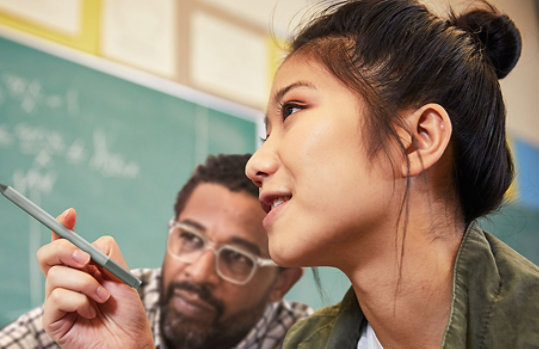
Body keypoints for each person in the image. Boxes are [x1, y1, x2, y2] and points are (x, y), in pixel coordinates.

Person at [244, 0, 539, 348]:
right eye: (266, 134)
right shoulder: (303, 342)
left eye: (292, 110)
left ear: (418, 140)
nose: (254, 165)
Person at [0, 154, 311, 349]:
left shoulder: (315, 339)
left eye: (237, 258)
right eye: (190, 238)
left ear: (281, 283)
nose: (199, 273)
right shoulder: (106, 300)